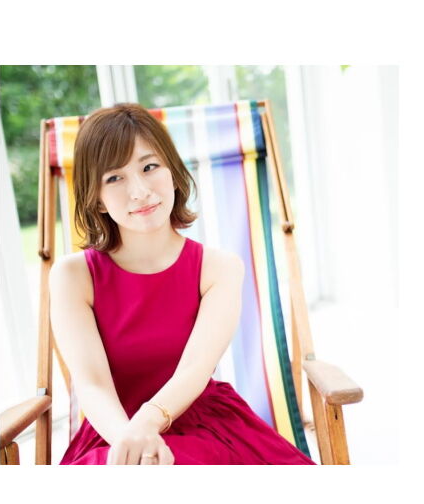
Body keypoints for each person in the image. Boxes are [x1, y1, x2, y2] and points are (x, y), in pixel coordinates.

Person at [50, 103, 315, 465]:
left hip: (205, 427)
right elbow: (91, 383)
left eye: (149, 167)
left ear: (173, 172)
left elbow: (195, 370)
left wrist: (147, 426)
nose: (139, 191)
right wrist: (133, 443)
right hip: (113, 431)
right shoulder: (73, 276)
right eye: (114, 178)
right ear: (96, 199)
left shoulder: (220, 269)